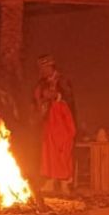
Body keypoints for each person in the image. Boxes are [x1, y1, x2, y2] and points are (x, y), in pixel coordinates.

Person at [33, 55, 77, 193]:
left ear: (50, 67)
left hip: (62, 119)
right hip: (49, 120)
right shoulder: (42, 83)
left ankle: (64, 181)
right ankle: (51, 179)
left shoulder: (62, 80)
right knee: (49, 150)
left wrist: (57, 97)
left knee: (63, 149)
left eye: (44, 68)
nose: (42, 71)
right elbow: (37, 99)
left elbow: (69, 98)